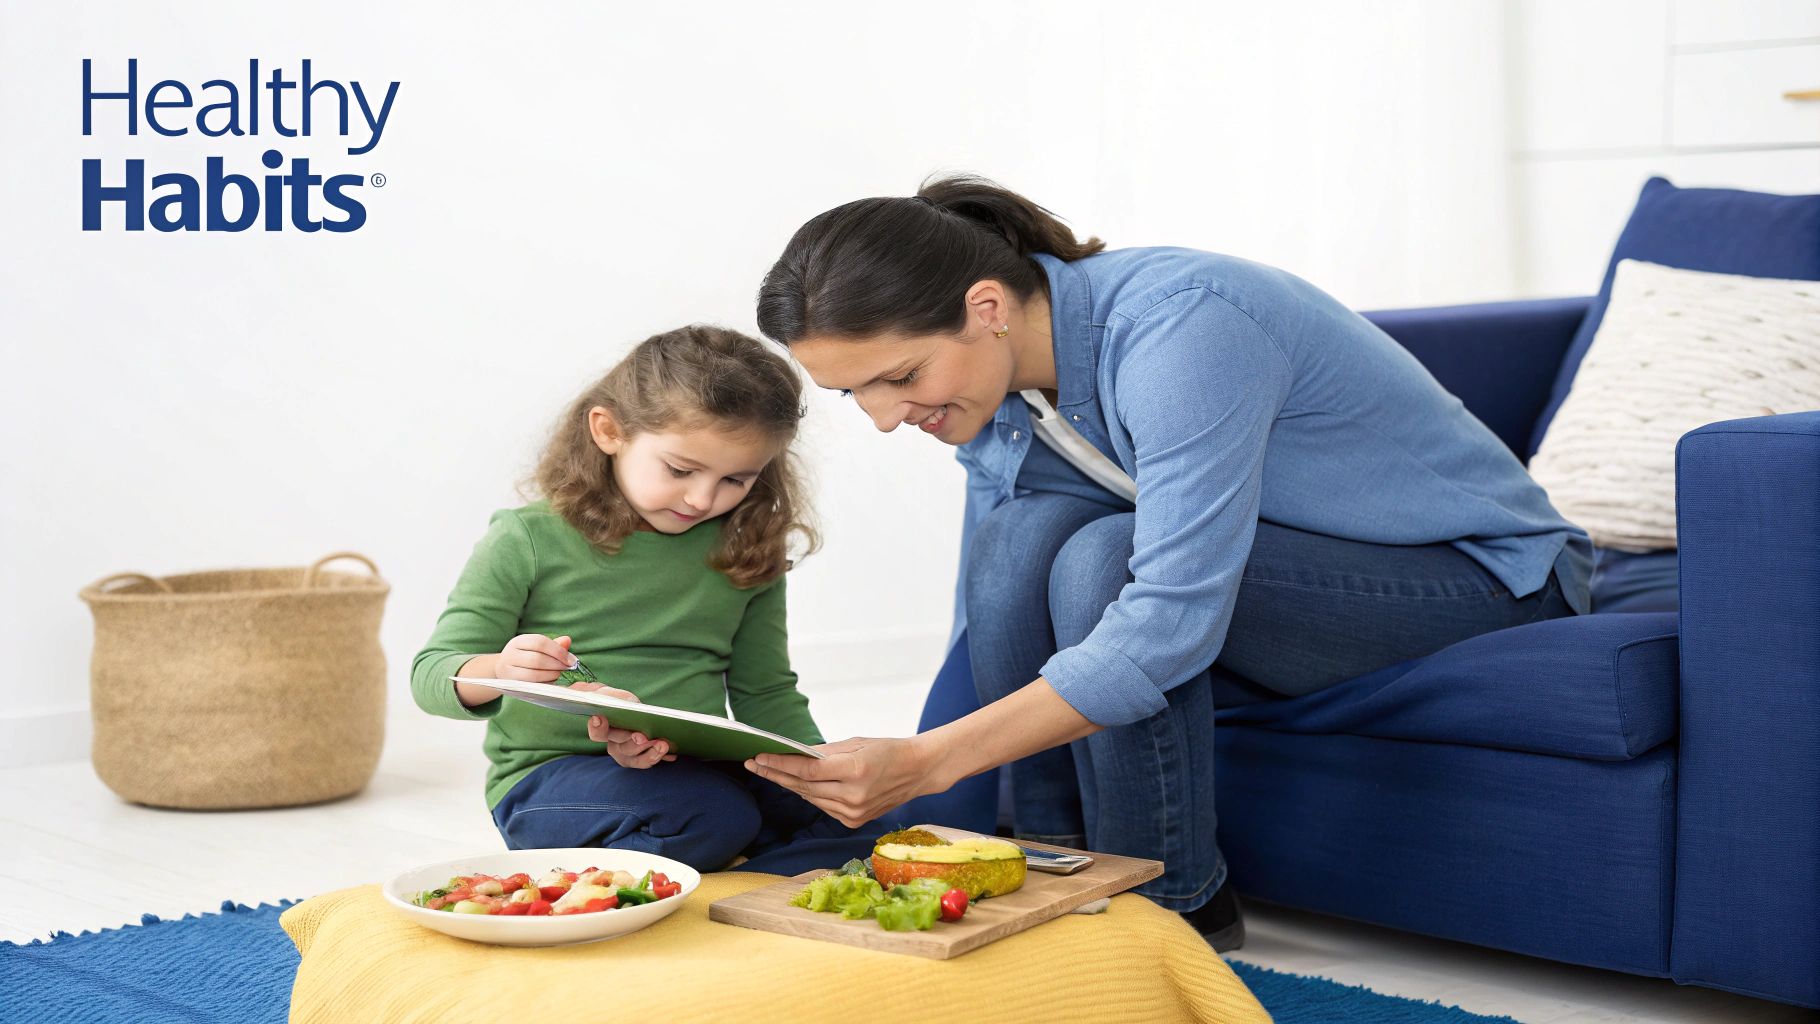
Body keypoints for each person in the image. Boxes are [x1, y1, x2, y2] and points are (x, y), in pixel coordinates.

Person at [745, 174, 1590, 950]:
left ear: (987, 307)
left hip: (1486, 583)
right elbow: (990, 607)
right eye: (857, 393)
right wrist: (903, 826)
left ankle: (1174, 906)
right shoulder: (990, 394)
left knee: (1105, 560)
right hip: (1291, 594)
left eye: (900, 376)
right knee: (1019, 542)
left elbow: (1167, 621)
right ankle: (1043, 872)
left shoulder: (1185, 326)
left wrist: (929, 763)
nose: (888, 417)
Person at [411, 324, 849, 873]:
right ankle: (644, 874)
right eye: (681, 470)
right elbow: (430, 675)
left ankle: (728, 862)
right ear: (609, 430)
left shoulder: (746, 548)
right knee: (712, 816)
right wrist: (501, 669)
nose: (702, 498)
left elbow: (766, 691)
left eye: (737, 480)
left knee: (856, 819)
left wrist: (822, 774)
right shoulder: (526, 539)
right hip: (550, 782)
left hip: (691, 773)